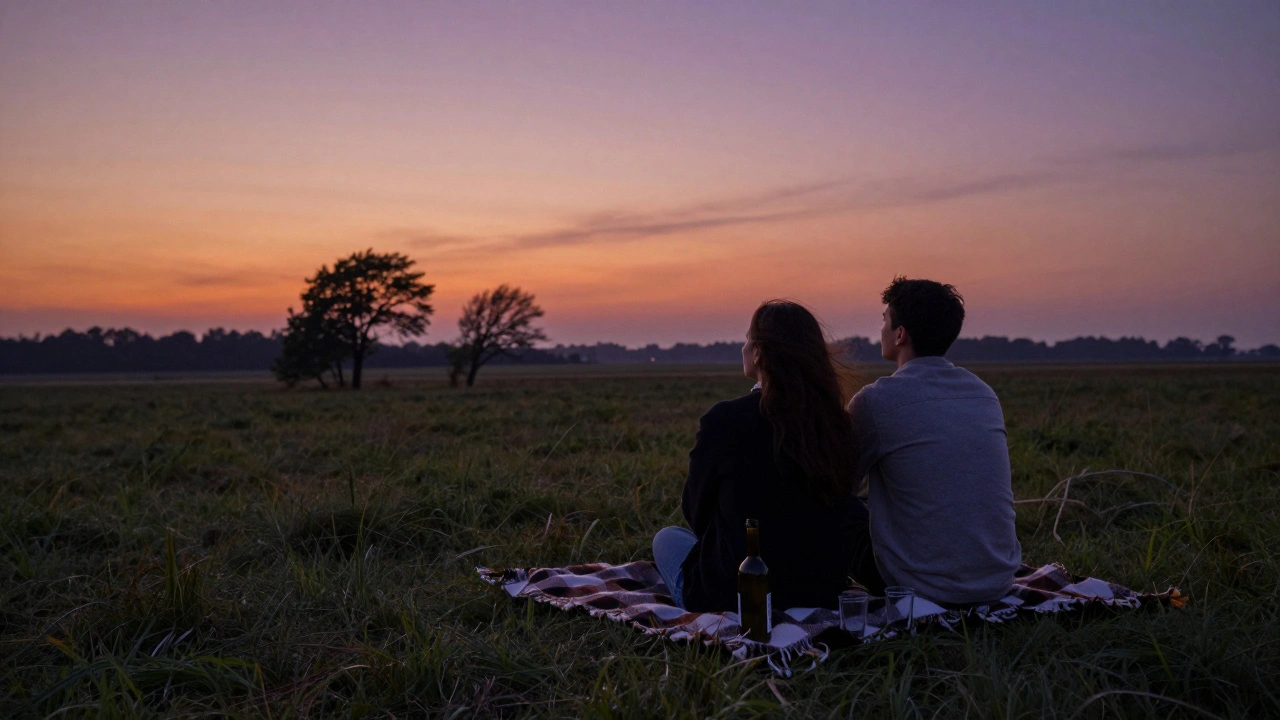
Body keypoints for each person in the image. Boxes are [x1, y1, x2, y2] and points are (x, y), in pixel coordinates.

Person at [652, 300, 877, 612]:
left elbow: (696, 512)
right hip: (820, 590)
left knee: (667, 538)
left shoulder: (725, 419)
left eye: (748, 339)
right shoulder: (836, 424)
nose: (743, 348)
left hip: (740, 594)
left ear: (759, 353)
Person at [847, 277, 1022, 605]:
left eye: (884, 321)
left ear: (900, 334)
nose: (880, 330)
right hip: (997, 581)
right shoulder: (982, 393)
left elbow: (840, 484)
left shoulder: (875, 401)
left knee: (835, 508)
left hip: (917, 587)